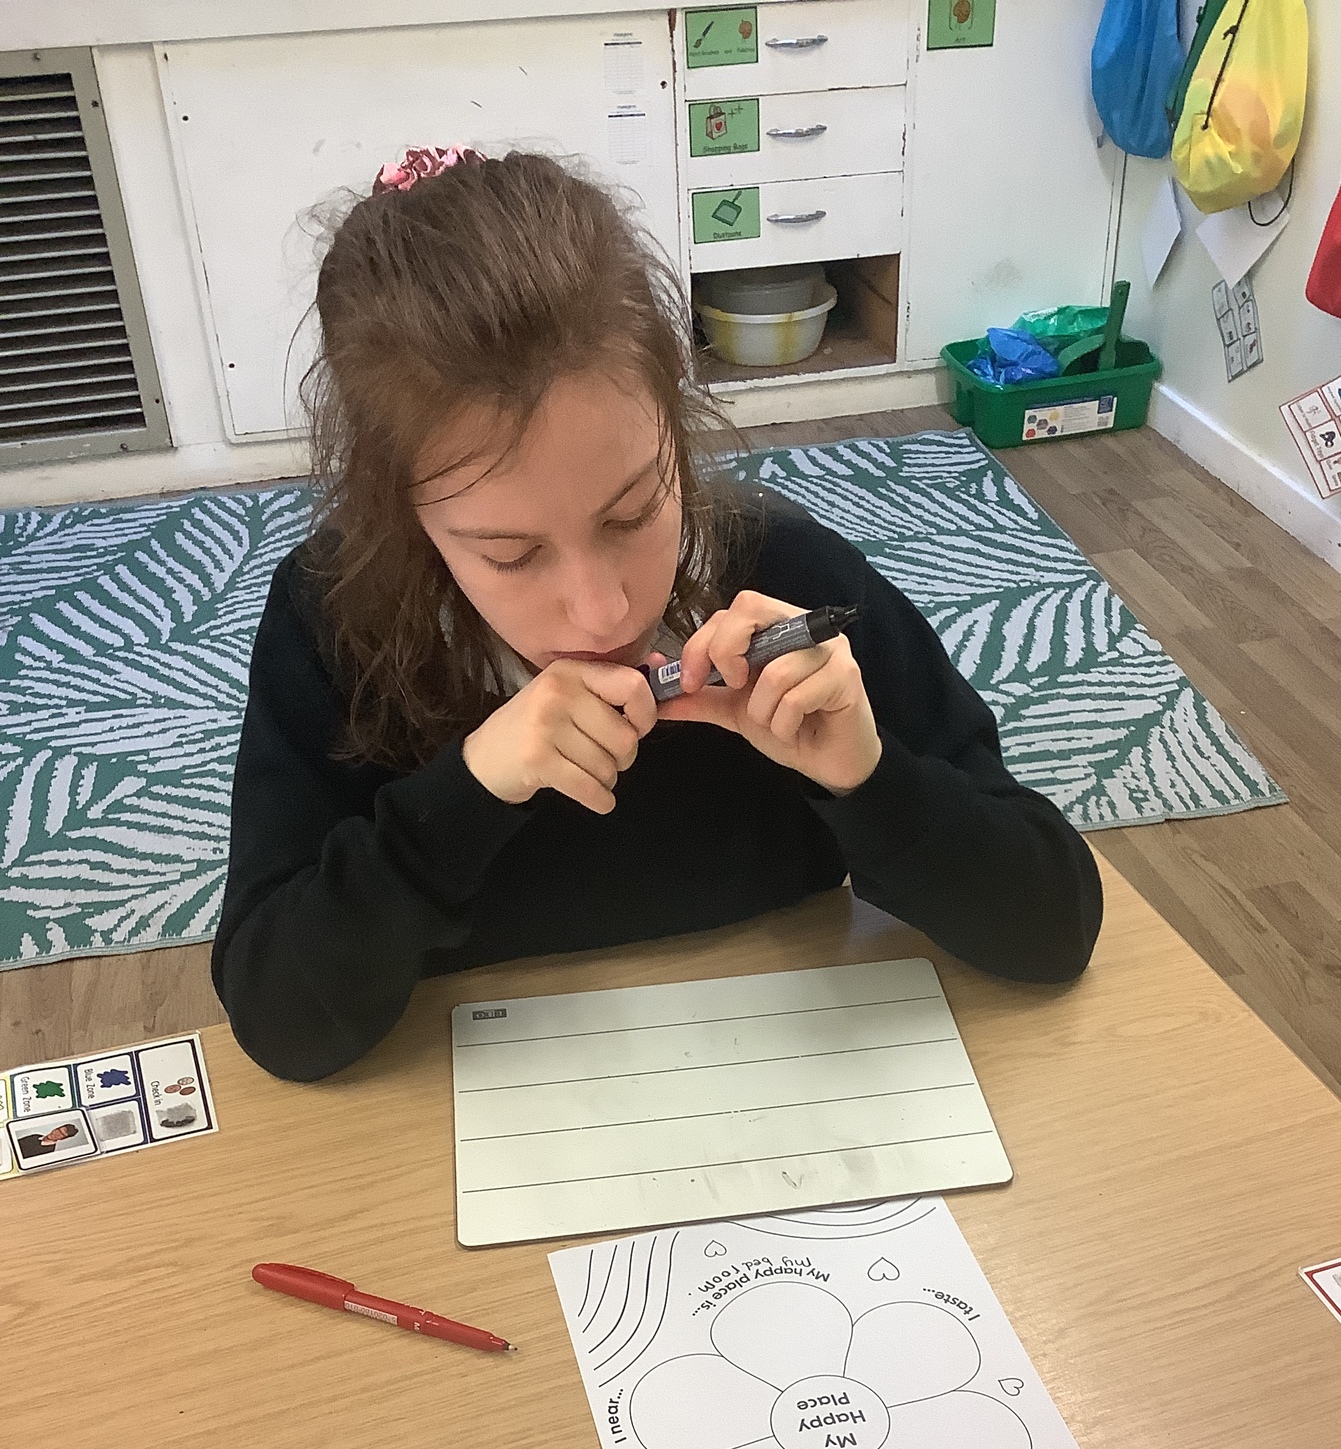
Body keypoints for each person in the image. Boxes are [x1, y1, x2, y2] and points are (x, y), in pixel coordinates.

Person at [213, 148, 1103, 1082]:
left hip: (785, 1081)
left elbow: (1054, 926)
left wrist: (869, 781)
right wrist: (466, 794)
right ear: (405, 521)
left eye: (634, 512)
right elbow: (280, 1019)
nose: (603, 612)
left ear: (677, 427)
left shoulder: (783, 574)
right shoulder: (337, 622)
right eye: (511, 555)